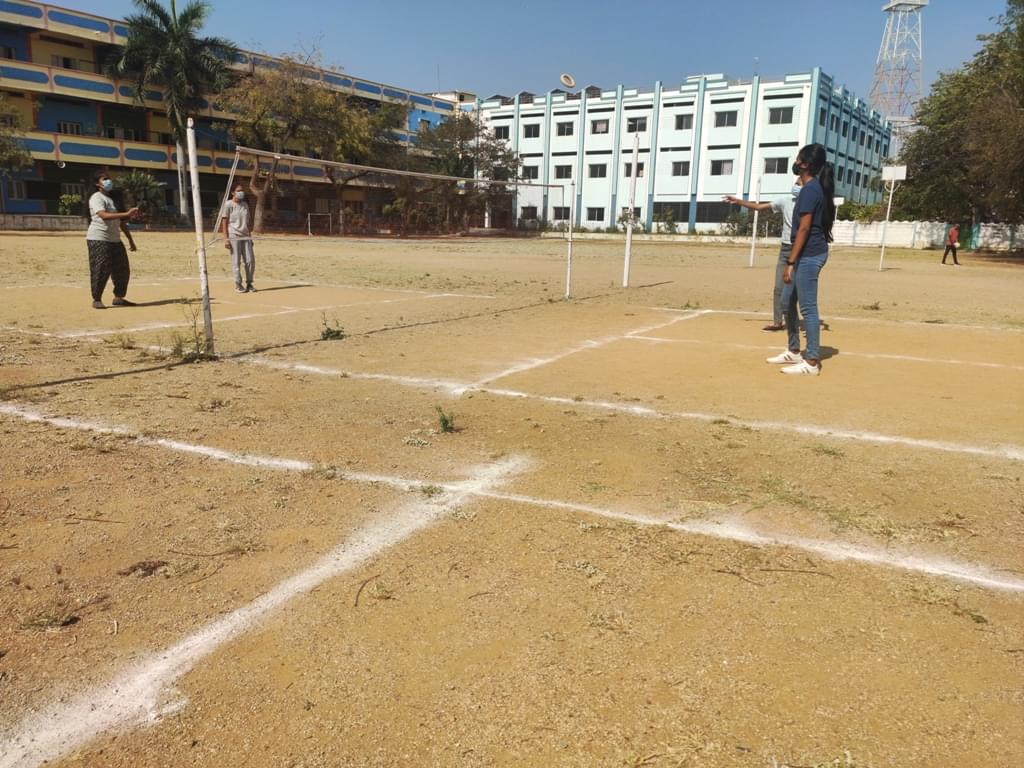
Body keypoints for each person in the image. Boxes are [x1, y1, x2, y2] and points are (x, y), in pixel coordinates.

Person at [765, 143, 835, 376]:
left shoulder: (810, 190)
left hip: (809, 255)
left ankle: (812, 361)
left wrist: (791, 262)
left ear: (804, 164)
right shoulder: (812, 188)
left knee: (808, 308)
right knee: (786, 302)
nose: (794, 164)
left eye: (797, 160)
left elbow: (804, 229)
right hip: (803, 253)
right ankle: (794, 349)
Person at [724, 178, 802, 331]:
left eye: (799, 184)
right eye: (796, 184)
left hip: (800, 249)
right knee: (779, 287)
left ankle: (795, 320)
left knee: (797, 288)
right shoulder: (785, 201)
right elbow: (759, 207)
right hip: (785, 248)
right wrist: (739, 201)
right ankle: (777, 321)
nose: (796, 186)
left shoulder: (809, 204)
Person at [86, 171, 139, 309]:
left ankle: (119, 297)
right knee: (101, 268)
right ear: (98, 184)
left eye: (109, 179)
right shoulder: (96, 197)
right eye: (105, 179)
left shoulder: (113, 200)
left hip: (115, 239)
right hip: (99, 238)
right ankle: (97, 299)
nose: (108, 181)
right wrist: (126, 213)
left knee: (122, 269)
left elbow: (121, 222)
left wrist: (130, 240)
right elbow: (103, 215)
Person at [222, 182, 255, 293]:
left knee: (250, 260)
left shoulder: (245, 205)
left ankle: (249, 283)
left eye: (242, 191)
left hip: (246, 236)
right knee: (236, 261)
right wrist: (226, 239)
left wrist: (250, 237)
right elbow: (224, 222)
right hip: (234, 235)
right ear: (233, 192)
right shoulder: (228, 205)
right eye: (238, 190)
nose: (241, 193)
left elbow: (248, 222)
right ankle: (238, 284)